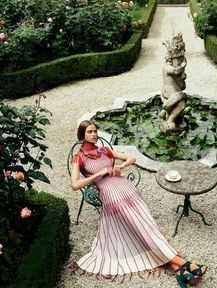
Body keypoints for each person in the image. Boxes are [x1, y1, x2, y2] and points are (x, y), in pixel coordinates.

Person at [70, 120, 207, 287]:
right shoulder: (78, 157)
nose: (94, 134)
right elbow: (75, 185)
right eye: (89, 132)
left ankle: (179, 271)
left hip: (126, 188)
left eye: (95, 131)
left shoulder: (104, 150)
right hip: (109, 194)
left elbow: (132, 157)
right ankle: (186, 264)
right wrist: (99, 173)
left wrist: (121, 166)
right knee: (142, 229)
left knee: (144, 228)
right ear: (82, 135)